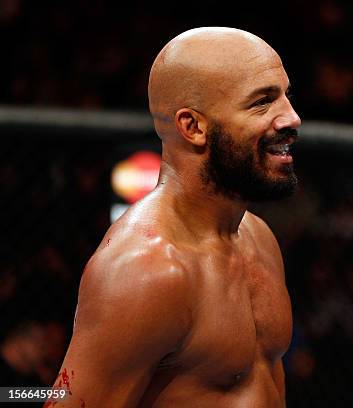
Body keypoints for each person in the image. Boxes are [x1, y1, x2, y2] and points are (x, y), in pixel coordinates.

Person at [46, 27, 301, 407]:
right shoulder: (146, 272)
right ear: (192, 127)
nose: (291, 118)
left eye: (286, 95)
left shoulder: (257, 236)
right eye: (261, 103)